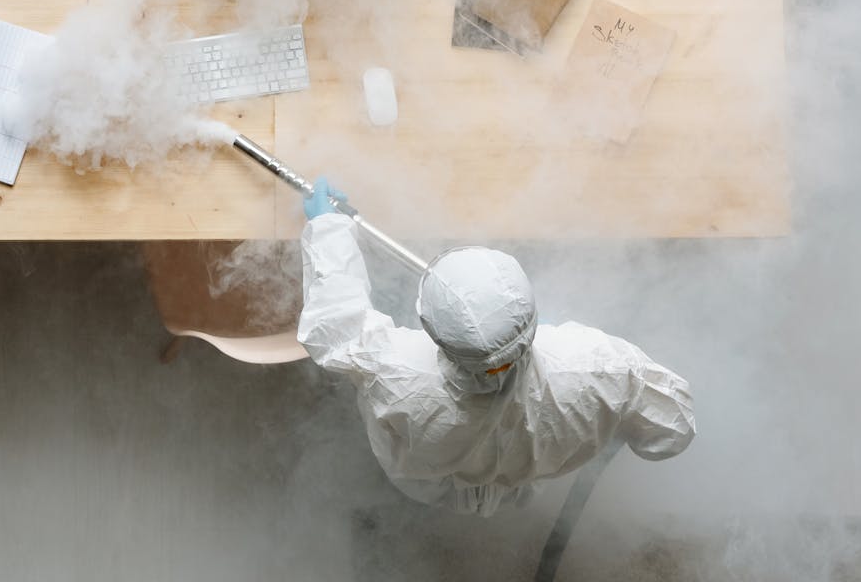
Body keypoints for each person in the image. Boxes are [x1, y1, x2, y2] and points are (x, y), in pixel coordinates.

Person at [296, 177, 696, 516]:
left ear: (430, 330)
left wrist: (328, 227)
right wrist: (608, 413)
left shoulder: (395, 373)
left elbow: (336, 327)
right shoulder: (599, 366)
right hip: (523, 482)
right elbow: (673, 430)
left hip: (430, 484)